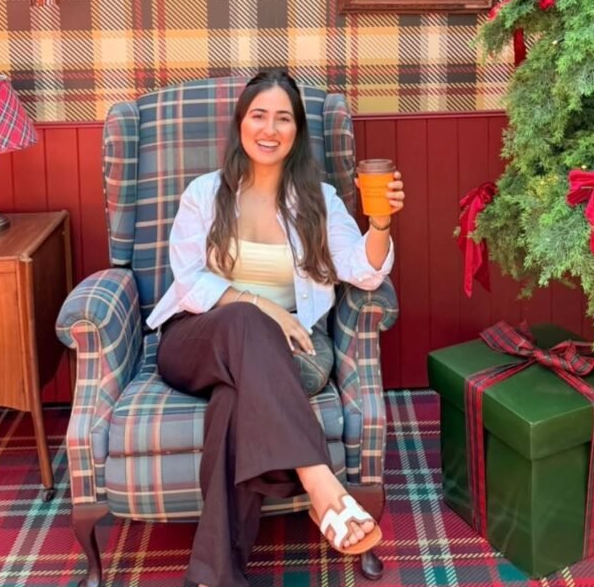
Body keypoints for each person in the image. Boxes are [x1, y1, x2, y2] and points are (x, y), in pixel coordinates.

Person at [147, 68, 405, 587]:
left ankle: (215, 576)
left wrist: (380, 223)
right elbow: (190, 279)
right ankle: (321, 483)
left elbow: (364, 269)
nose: (270, 128)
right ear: (242, 124)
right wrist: (263, 308)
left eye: (283, 118)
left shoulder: (319, 200)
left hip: (293, 355)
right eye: (259, 115)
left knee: (233, 405)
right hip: (195, 340)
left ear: (297, 131)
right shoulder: (205, 193)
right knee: (243, 317)